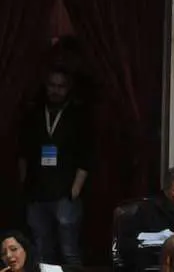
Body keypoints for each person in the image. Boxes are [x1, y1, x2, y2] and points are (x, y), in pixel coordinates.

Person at [17, 63, 90, 266]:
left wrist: (75, 190)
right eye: (52, 85)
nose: (56, 90)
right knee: (41, 249)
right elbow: (23, 151)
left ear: (68, 88)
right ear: (45, 86)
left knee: (69, 250)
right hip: (36, 191)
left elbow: (86, 155)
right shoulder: (34, 113)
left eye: (61, 86)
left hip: (65, 192)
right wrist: (25, 183)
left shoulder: (77, 115)